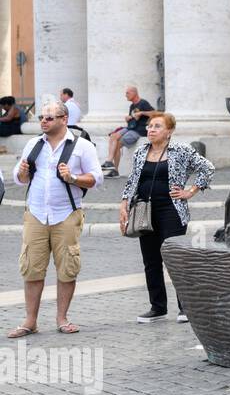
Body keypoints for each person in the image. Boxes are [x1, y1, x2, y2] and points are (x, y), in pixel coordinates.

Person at [6, 102, 103, 338]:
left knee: (67, 267)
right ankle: (30, 321)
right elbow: (19, 177)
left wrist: (73, 177)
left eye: (50, 117)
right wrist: (21, 174)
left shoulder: (82, 146)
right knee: (31, 267)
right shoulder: (34, 143)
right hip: (36, 213)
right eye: (42, 117)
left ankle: (62, 318)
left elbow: (96, 179)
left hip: (66, 214)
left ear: (64, 118)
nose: (44, 121)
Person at [119, 112, 215, 323]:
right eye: (150, 126)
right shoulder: (141, 151)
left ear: (169, 131)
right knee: (150, 261)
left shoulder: (180, 150)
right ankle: (158, 307)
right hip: (144, 210)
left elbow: (207, 168)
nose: (150, 130)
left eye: (157, 126)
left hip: (171, 209)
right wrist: (124, 203)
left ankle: (185, 307)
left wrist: (190, 191)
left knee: (175, 258)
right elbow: (132, 180)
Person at [103, 85, 154, 178]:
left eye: (127, 93)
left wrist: (142, 113)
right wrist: (128, 118)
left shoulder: (143, 103)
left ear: (134, 93)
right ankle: (109, 162)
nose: (126, 95)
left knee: (117, 144)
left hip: (138, 130)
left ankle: (114, 168)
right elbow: (133, 117)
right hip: (130, 128)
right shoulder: (132, 105)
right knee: (113, 136)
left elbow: (155, 113)